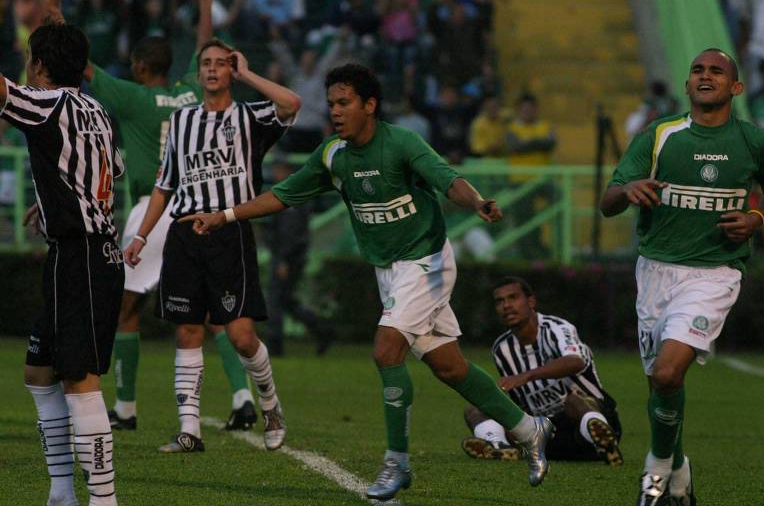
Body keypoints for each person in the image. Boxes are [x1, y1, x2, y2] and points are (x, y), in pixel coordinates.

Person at [180, 63, 555, 501]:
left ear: (369, 105)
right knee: (448, 365)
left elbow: (446, 179)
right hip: (390, 270)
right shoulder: (332, 154)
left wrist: (476, 202)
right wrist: (223, 216)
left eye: (345, 103)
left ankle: (397, 464)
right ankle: (530, 429)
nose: (335, 112)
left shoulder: (401, 143)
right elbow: (282, 196)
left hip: (426, 260)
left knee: (385, 349)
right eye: (332, 104)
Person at [74, 0, 259, 433]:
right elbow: (204, 45)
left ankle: (126, 406)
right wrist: (206, 4)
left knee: (125, 308)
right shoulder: (192, 92)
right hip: (199, 207)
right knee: (216, 313)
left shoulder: (133, 97)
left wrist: (56, 17)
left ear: (140, 66)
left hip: (153, 208)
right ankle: (242, 397)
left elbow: (81, 65)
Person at [600, 48, 764, 506]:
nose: (705, 76)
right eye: (697, 70)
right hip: (655, 271)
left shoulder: (754, 142)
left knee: (671, 371)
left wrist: (756, 217)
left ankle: (653, 473)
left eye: (716, 71)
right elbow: (608, 200)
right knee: (660, 381)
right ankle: (678, 469)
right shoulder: (659, 135)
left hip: (715, 274)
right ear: (688, 85)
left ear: (735, 87)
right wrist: (627, 190)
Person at [122, 39, 301, 453]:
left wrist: (249, 74)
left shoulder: (249, 116)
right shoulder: (182, 121)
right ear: (199, 72)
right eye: (207, 63)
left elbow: (291, 103)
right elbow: (165, 184)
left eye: (222, 63)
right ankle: (190, 430)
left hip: (229, 231)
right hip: (185, 234)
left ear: (232, 70)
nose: (213, 69)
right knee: (187, 330)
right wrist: (141, 236)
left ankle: (271, 404)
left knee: (240, 335)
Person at [1, 21, 123, 506]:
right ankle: (60, 494)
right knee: (38, 370)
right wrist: (52, 201)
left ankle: (103, 500)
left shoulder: (48, 102)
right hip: (79, 251)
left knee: (79, 380)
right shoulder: (99, 110)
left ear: (41, 65)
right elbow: (106, 171)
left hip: (84, 255)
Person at [461, 276, 623, 465]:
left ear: (531, 302)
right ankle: (499, 447)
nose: (506, 305)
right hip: (547, 434)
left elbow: (575, 361)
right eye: (500, 301)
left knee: (573, 400)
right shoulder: (501, 349)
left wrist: (526, 376)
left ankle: (602, 442)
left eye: (513, 298)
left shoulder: (557, 329)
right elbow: (519, 403)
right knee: (476, 409)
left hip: (586, 421)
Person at [263, 156, 333, 356]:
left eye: (279, 169)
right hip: (287, 255)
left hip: (288, 257)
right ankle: (321, 330)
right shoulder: (284, 194)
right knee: (284, 300)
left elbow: (291, 234)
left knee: (276, 300)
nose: (275, 174)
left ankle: (275, 345)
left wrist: (283, 259)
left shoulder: (293, 197)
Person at [507, 92, 557, 259]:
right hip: (520, 181)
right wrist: (537, 143)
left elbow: (550, 143)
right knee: (524, 219)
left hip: (542, 180)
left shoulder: (546, 125)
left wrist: (527, 143)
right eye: (524, 109)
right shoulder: (512, 128)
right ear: (519, 110)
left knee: (560, 199)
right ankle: (527, 253)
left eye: (530, 109)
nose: (528, 112)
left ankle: (556, 246)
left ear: (536, 110)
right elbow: (514, 146)